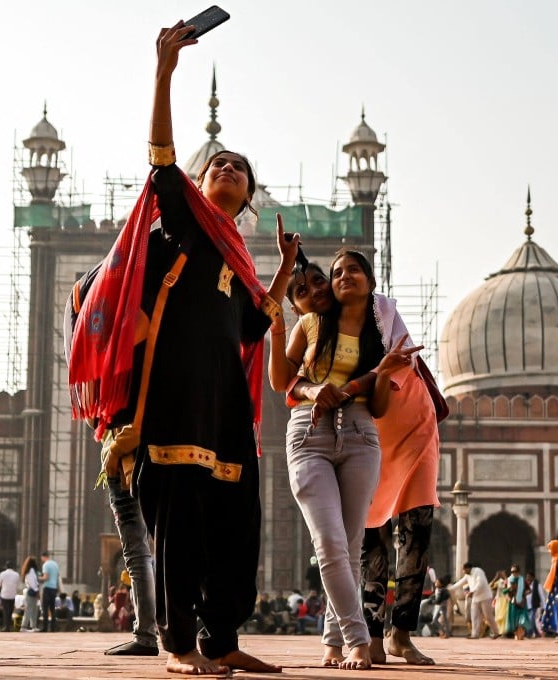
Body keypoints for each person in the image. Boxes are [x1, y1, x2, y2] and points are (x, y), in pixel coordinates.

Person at [67, 20, 297, 678]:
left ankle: (221, 639)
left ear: (248, 198)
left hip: (225, 408)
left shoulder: (234, 263)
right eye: (219, 165)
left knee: (234, 524)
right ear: (201, 184)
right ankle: (175, 643)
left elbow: (252, 329)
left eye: (239, 170)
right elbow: (163, 160)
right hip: (170, 400)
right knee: (180, 529)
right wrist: (165, 71)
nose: (227, 168)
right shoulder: (185, 226)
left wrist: (280, 271)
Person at [272, 254, 439, 666]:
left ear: (371, 279)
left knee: (377, 536)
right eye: (336, 272)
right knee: (340, 543)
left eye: (353, 270)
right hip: (318, 435)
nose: (338, 279)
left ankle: (363, 638)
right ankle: (361, 637)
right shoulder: (311, 325)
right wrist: (313, 389)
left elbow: (381, 399)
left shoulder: (381, 325)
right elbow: (283, 382)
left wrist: (377, 375)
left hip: (383, 428)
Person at [102, 451, 159, 655]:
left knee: (137, 556)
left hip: (127, 467)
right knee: (146, 554)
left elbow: (130, 426)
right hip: (152, 463)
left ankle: (145, 635)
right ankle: (161, 633)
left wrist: (114, 449)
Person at [451, 563, 499, 639]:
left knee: (488, 616)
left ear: (468, 568)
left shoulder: (478, 571)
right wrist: (450, 589)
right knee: (474, 616)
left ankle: (496, 632)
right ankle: (475, 634)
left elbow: (481, 583)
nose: (463, 571)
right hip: (475, 598)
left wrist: (472, 591)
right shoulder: (467, 576)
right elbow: (460, 583)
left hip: (485, 597)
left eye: (464, 569)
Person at [0, 560, 20, 632]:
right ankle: (8, 626)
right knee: (10, 611)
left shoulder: (2, 574)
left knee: (5, 611)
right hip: (12, 595)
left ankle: (6, 627)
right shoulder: (16, 574)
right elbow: (18, 585)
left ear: (6, 567)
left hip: (4, 595)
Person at [38, 551, 59, 632]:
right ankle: (53, 628)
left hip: (47, 588)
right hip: (54, 588)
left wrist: (39, 578)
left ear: (43, 557)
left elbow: (46, 577)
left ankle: (45, 627)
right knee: (52, 608)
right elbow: (57, 576)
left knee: (45, 608)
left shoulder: (46, 565)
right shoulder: (55, 564)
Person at [507, 565, 529, 640]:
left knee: (521, 619)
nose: (514, 573)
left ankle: (521, 634)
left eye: (515, 571)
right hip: (513, 603)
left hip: (521, 602)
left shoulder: (522, 580)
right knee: (514, 619)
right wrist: (509, 597)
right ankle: (516, 634)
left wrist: (523, 596)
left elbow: (529, 590)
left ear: (518, 572)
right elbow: (505, 592)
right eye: (512, 571)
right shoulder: (509, 580)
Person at [19, 556, 40, 632]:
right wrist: (37, 591)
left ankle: (33, 626)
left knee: (34, 609)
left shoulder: (30, 570)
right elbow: (32, 583)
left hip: (32, 591)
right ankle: (23, 626)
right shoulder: (31, 571)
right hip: (32, 591)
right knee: (29, 609)